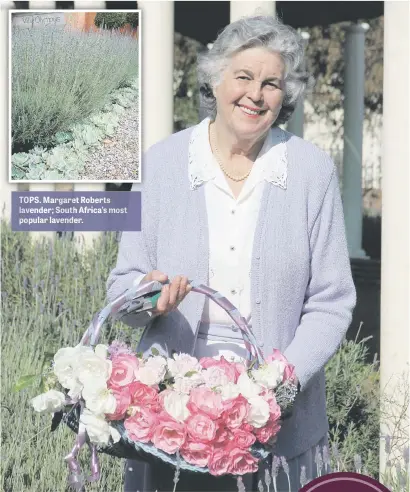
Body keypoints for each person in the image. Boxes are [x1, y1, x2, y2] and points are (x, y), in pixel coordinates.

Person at [107, 15, 356, 492]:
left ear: (285, 96)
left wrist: (278, 385)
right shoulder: (160, 164)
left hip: (277, 417)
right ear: (216, 79)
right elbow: (123, 288)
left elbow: (332, 300)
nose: (255, 94)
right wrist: (150, 298)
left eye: (271, 84)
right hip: (169, 412)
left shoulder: (310, 171)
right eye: (243, 77)